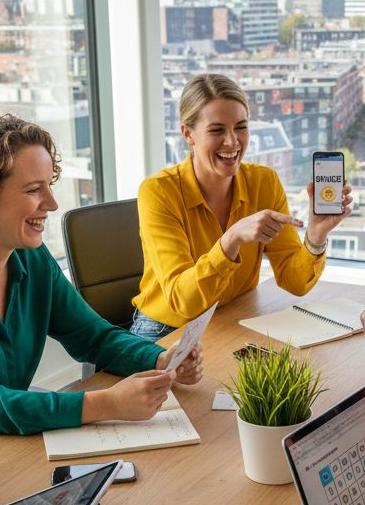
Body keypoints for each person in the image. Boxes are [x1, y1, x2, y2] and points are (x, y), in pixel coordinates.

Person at [0, 113, 202, 445]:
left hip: (7, 439)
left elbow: (93, 337)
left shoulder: (29, 256)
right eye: (35, 189)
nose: (51, 204)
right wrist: (107, 403)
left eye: (49, 186)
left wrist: (159, 358)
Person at [130, 73, 353, 341]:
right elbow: (183, 301)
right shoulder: (158, 192)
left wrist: (316, 237)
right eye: (217, 130)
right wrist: (231, 240)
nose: (232, 142)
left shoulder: (263, 181)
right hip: (167, 328)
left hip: (233, 316)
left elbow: (294, 282)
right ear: (188, 133)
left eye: (240, 127)